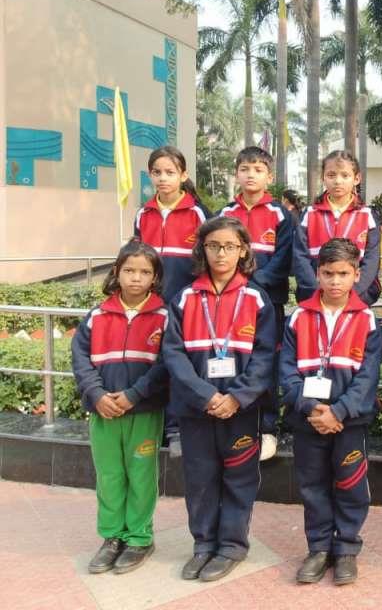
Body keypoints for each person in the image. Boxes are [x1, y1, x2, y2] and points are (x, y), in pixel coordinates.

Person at [162, 216, 276, 582]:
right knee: (200, 479)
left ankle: (231, 546)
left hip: (240, 411)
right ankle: (203, 544)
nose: (221, 254)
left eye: (229, 246)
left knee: (239, 479)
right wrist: (206, 395)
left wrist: (237, 397)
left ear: (243, 250)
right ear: (202, 250)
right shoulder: (185, 298)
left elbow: (265, 357)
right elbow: (173, 354)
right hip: (196, 409)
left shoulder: (256, 298)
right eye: (213, 246)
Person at [279, 238, 382, 586]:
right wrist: (312, 408)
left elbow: (368, 376)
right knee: (313, 485)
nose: (335, 281)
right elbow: (287, 371)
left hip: (349, 422)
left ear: (357, 274)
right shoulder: (298, 317)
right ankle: (319, 548)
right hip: (308, 419)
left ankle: (347, 548)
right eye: (328, 273)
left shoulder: (366, 319)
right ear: (317, 274)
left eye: (343, 274)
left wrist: (338, 411)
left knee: (351, 484)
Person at [72, 240, 168, 576]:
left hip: (143, 411)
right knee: (110, 475)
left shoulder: (164, 317)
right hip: (104, 411)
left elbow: (165, 364)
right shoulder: (97, 316)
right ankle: (112, 537)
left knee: (141, 474)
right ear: (116, 272)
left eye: (144, 272)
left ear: (155, 277)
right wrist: (97, 395)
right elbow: (80, 359)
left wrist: (133, 395)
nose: (136, 278)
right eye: (129, 270)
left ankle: (139, 538)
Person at [218, 146, 294, 461]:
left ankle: (268, 428)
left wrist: (253, 286)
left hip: (268, 303)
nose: (251, 175)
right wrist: (236, 287)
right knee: (235, 359)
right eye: (245, 169)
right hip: (230, 304)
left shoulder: (281, 215)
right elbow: (215, 254)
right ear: (236, 173)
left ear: (269, 176)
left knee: (267, 362)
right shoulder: (224, 214)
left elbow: (284, 259)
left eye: (258, 169)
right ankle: (237, 419)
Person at [134, 145, 209, 458]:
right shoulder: (143, 214)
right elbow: (136, 260)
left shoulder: (197, 214)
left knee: (179, 366)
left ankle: (176, 429)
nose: (163, 178)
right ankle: (153, 426)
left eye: (170, 172)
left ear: (183, 175)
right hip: (151, 306)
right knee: (152, 364)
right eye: (157, 172)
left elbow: (205, 263)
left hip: (185, 307)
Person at [294, 150, 381, 306]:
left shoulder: (367, 216)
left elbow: (372, 260)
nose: (338, 181)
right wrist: (317, 289)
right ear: (323, 178)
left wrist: (353, 292)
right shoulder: (309, 214)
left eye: (345, 175)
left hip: (358, 297)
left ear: (356, 179)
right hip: (314, 295)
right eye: (331, 175)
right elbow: (300, 256)